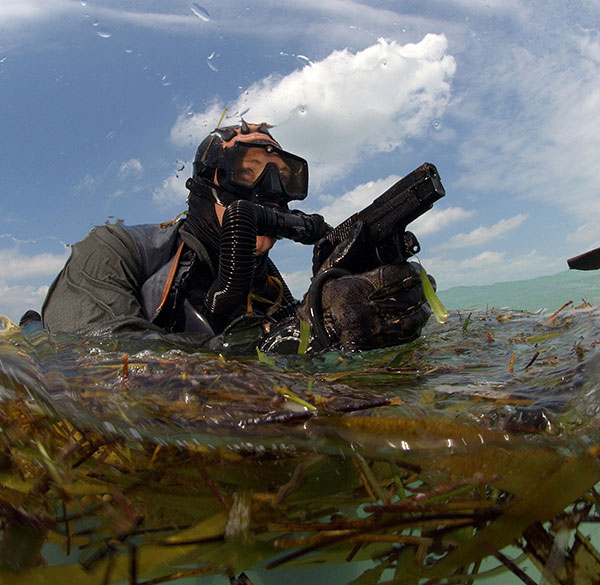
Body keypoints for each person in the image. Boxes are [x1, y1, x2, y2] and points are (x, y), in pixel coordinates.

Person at [39, 121, 433, 353]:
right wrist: (293, 335)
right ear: (207, 183)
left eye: (286, 178)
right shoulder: (114, 251)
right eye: (249, 170)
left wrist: (361, 309)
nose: (272, 190)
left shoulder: (271, 288)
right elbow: (94, 359)